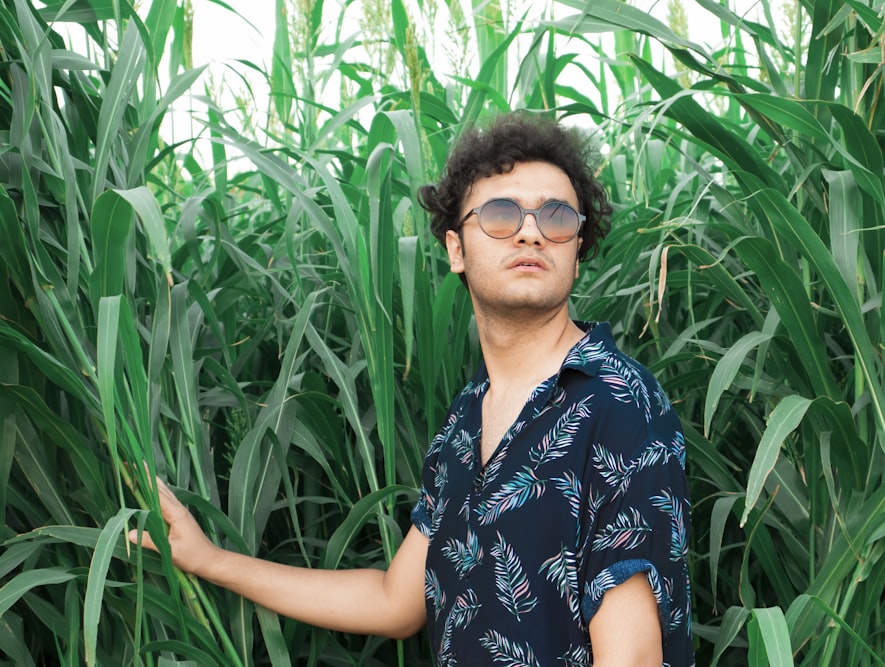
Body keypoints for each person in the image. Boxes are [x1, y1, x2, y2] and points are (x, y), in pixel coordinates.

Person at [131, 112, 693, 666]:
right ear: (456, 250)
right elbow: (395, 601)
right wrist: (210, 559)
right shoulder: (467, 420)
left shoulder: (617, 402)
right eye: (500, 213)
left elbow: (634, 656)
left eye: (557, 216)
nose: (530, 230)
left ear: (576, 248)